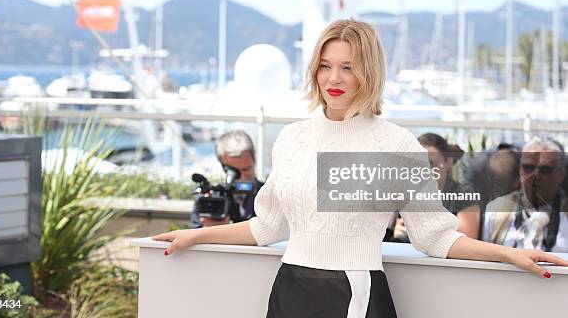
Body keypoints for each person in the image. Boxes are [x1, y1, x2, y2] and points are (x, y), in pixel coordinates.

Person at [153, 19, 568, 318]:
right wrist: (196, 235)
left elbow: (435, 237)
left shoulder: (395, 144)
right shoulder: (293, 138)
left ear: (368, 73)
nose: (333, 77)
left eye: (348, 66)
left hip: (355, 294)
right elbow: (267, 227)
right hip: (289, 291)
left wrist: (511, 256)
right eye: (325, 64)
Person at [482, 137, 568, 252]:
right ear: (519, 170)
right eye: (528, 168)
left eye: (545, 169)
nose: (535, 176)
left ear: (561, 175)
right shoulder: (496, 210)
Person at [391, 133, 480, 241]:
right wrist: (397, 232)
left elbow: (468, 240)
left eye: (430, 163)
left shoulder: (464, 193)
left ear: (448, 162)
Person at [191, 129, 264, 228]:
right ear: (222, 165)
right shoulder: (210, 197)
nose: (242, 177)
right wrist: (206, 230)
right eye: (234, 172)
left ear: (254, 159)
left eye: (246, 169)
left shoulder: (268, 194)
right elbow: (194, 234)